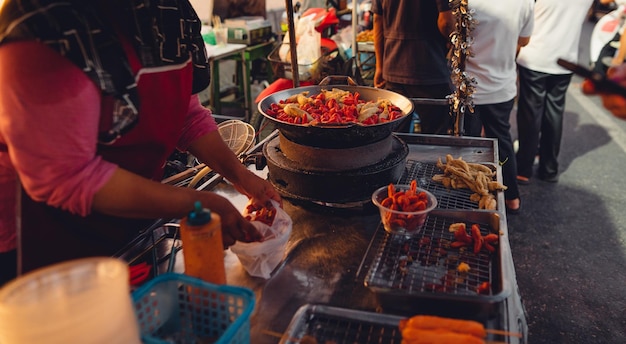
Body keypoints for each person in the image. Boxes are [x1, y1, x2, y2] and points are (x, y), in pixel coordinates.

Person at [0, 0, 281, 285]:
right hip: (48, 233)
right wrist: (197, 203)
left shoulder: (170, 11)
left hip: (130, 213)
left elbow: (185, 113)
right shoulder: (43, 27)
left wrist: (241, 176)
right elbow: (67, 176)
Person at [462, 0, 535, 214]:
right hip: (502, 86)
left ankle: (469, 197)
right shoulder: (525, 2)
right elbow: (524, 40)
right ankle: (512, 197)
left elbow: (450, 34)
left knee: (469, 144)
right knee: (502, 141)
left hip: (469, 88)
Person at [515, 0, 594, 185]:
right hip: (565, 60)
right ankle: (549, 168)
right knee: (555, 113)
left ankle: (523, 168)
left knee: (530, 113)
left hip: (535, 56)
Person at [372, 0, 455, 134]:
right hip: (429, 68)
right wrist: (452, 42)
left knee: (396, 136)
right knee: (434, 138)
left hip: (393, 67)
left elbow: (377, 20)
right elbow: (446, 22)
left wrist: (380, 66)